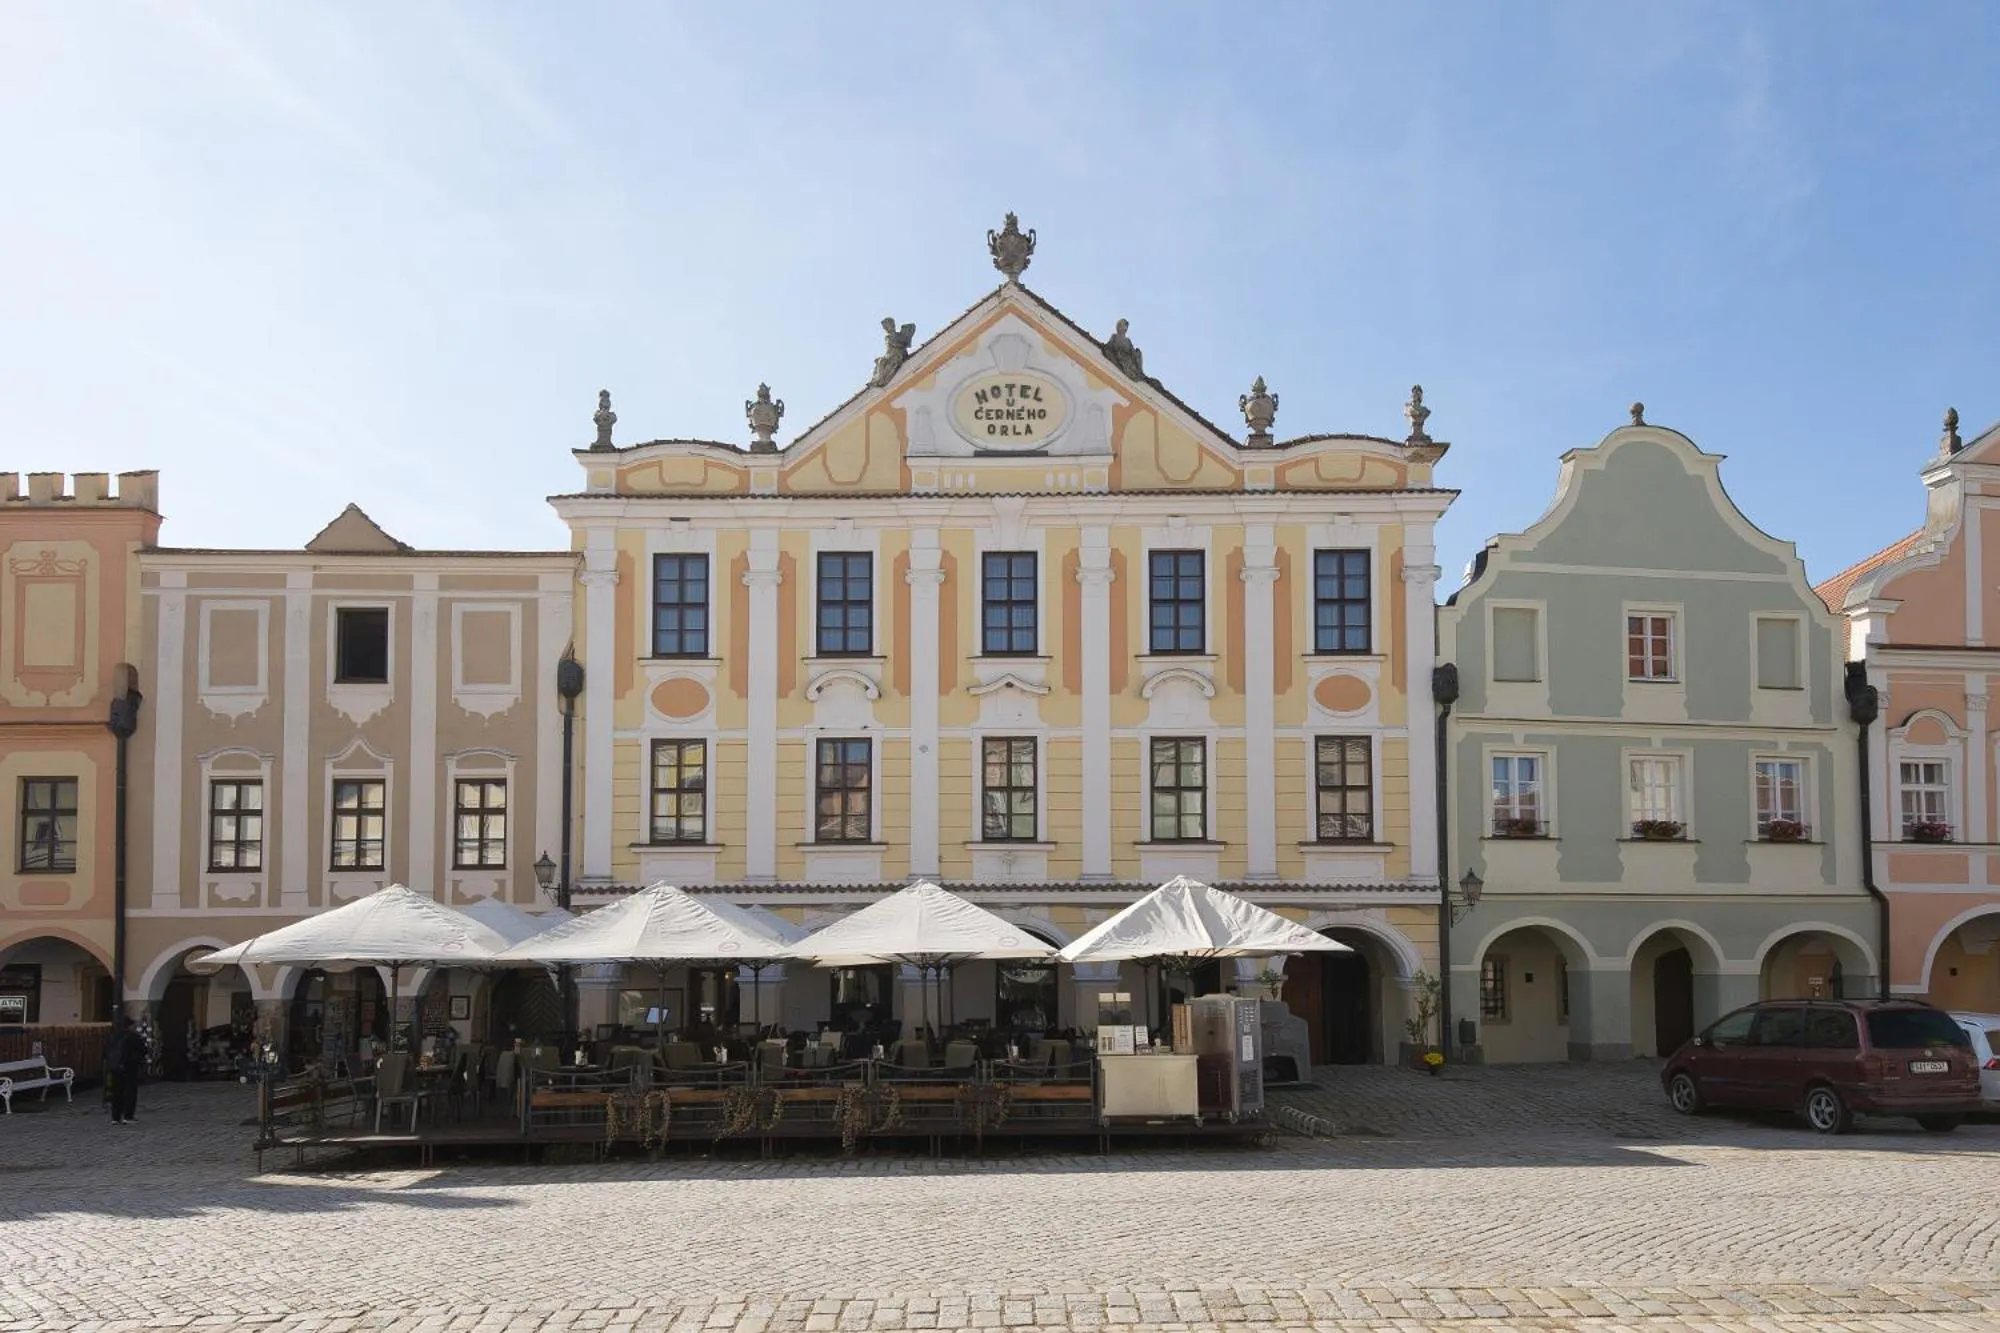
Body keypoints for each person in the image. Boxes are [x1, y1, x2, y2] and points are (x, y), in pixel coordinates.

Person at [103, 1014, 145, 1125]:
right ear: (130, 1026)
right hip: (129, 1067)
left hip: (114, 1067)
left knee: (116, 1092)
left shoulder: (112, 1036)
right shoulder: (133, 1036)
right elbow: (143, 1050)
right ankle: (128, 1116)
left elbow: (105, 1052)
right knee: (130, 1092)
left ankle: (115, 1117)